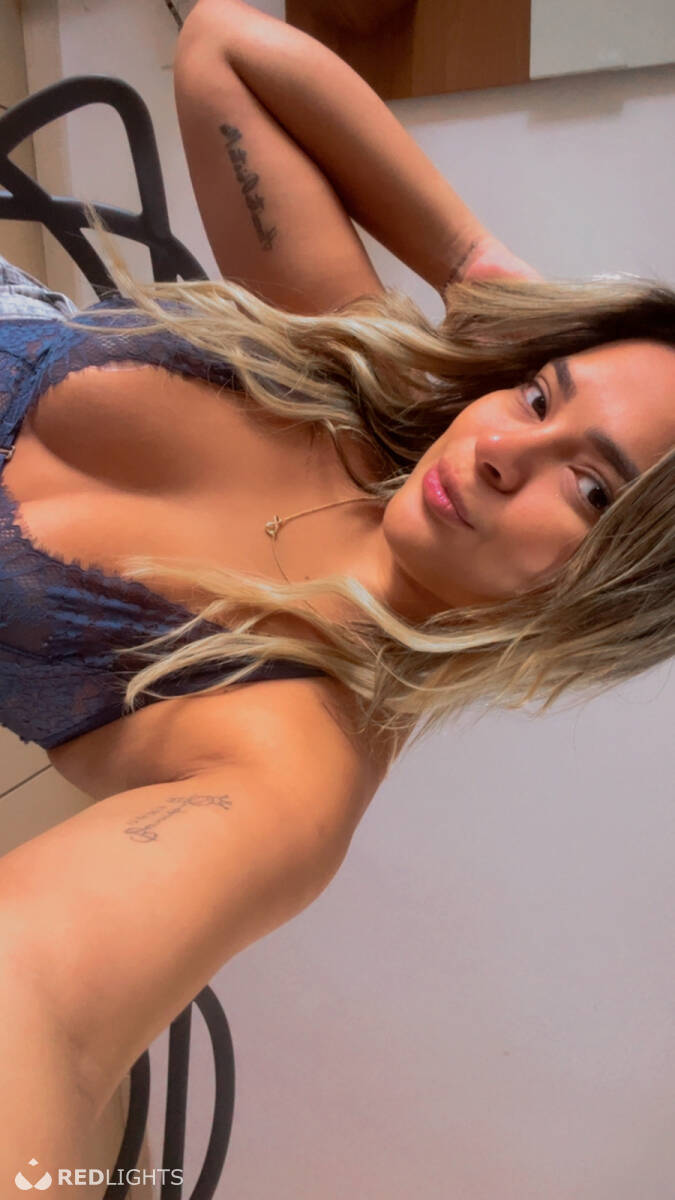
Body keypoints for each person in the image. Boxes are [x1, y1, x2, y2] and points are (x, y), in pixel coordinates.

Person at [0, 0, 673, 1175]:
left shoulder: (294, 766)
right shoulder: (355, 377)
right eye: (539, 395)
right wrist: (477, 270)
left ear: (605, 598)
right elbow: (223, 47)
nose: (506, 451)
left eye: (590, 489)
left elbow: (38, 997)